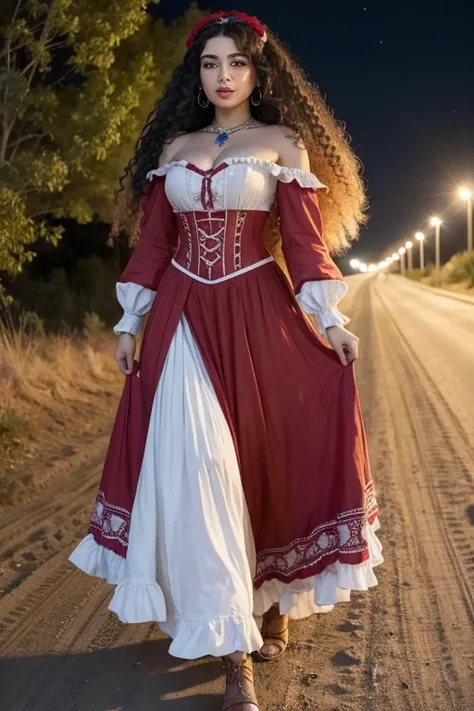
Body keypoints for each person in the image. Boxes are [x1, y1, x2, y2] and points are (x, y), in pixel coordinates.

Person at [69, 10, 383, 710]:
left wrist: (330, 320)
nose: (223, 76)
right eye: (209, 64)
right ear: (196, 72)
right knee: (202, 467)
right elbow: (153, 245)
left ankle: (269, 600)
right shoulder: (175, 147)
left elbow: (302, 246)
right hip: (182, 319)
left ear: (257, 71)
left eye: (235, 64)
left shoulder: (281, 143)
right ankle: (233, 650)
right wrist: (130, 321)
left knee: (263, 458)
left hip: (257, 311)